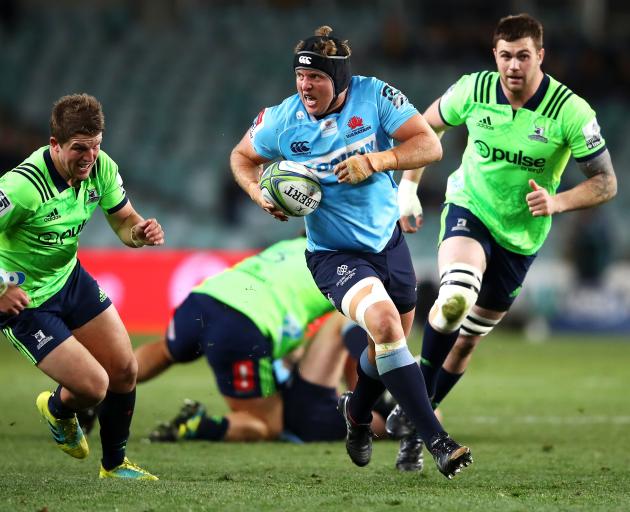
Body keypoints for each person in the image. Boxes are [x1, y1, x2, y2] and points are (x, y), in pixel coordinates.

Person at [230, 25, 472, 479]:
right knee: (383, 325)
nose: (306, 86)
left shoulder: (375, 96)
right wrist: (257, 192)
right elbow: (241, 158)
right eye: (301, 77)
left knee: (385, 349)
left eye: (317, 78)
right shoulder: (282, 120)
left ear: (339, 79)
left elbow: (429, 145)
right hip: (333, 254)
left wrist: (376, 160)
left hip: (387, 241)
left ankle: (356, 414)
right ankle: (437, 441)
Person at [390, 13, 618, 471]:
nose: (514, 65)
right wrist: (408, 189)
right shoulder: (472, 90)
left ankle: (415, 419)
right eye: (506, 56)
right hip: (470, 208)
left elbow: (605, 182)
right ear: (495, 55)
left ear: (540, 57)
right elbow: (424, 129)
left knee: (467, 342)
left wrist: (557, 202)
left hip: (522, 237)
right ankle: (419, 420)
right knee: (454, 298)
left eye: (524, 56)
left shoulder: (570, 112)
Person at [0, 93, 164, 480]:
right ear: (54, 145)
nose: (89, 157)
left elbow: (124, 221)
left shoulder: (102, 168)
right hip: (26, 300)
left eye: (96, 146)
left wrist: (139, 232)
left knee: (125, 369)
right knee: (94, 388)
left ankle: (115, 465)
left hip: (70, 280)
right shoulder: (22, 187)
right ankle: (58, 410)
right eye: (79, 148)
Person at [118, 236, 389, 443]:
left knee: (167, 351)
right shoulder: (345, 271)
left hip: (203, 298)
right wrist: (367, 400)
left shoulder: (292, 245)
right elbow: (352, 332)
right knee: (266, 424)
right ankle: (200, 426)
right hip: (244, 323)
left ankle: (101, 387)